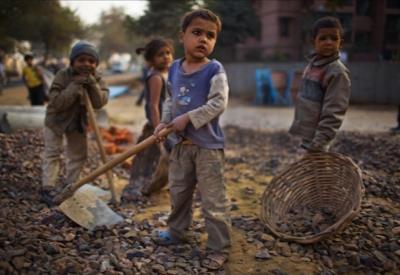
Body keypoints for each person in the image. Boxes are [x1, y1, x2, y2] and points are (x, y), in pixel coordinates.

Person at [154, 9, 231, 270]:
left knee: (213, 200)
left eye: (210, 36)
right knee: (179, 192)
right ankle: (177, 232)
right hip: (180, 147)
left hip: (207, 147)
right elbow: (169, 98)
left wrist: (188, 118)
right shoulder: (174, 68)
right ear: (182, 36)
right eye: (197, 33)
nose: (203, 40)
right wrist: (165, 123)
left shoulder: (214, 69)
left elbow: (219, 103)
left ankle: (219, 247)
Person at [41, 41, 109, 206]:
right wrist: (75, 84)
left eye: (91, 61)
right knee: (52, 152)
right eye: (81, 60)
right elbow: (57, 103)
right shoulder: (62, 76)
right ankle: (48, 188)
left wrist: (92, 84)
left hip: (78, 121)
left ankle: (71, 186)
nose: (86, 64)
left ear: (96, 64)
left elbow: (99, 102)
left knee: (79, 154)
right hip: (56, 120)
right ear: (73, 62)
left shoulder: (97, 78)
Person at [122, 38, 174, 202]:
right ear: (151, 60)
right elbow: (153, 105)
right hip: (157, 125)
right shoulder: (156, 77)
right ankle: (137, 187)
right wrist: (158, 128)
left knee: (165, 157)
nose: (166, 57)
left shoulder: (169, 73)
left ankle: (157, 184)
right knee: (147, 158)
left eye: (168, 53)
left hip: (169, 125)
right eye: (160, 55)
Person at [289, 16, 351, 153]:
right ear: (313, 42)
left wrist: (320, 141)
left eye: (334, 39)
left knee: (318, 171)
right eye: (323, 38)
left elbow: (334, 111)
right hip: (308, 135)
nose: (328, 42)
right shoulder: (313, 65)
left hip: (318, 139)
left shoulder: (336, 72)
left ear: (340, 43)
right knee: (309, 172)